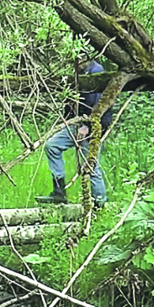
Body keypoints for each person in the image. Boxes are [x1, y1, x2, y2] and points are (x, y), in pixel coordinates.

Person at [38, 58, 113, 207]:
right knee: (52, 145)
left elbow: (98, 105)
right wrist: (66, 120)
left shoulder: (96, 73)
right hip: (77, 124)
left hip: (93, 126)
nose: (76, 64)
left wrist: (87, 126)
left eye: (78, 60)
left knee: (90, 164)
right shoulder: (79, 73)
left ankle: (100, 202)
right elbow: (72, 100)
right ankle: (59, 192)